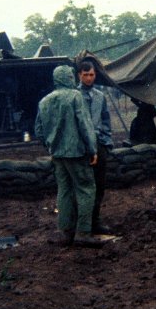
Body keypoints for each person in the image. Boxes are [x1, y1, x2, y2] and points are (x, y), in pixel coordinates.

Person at [34, 65, 102, 248]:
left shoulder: (45, 101)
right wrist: (92, 149)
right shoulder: (75, 96)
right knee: (86, 189)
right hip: (76, 153)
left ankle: (65, 232)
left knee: (64, 191)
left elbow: (38, 130)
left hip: (57, 155)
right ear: (69, 78)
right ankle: (83, 233)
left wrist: (51, 145)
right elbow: (85, 125)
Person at [77, 60, 114, 235]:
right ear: (79, 75)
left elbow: (106, 120)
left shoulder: (100, 96)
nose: (89, 78)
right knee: (84, 186)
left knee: (99, 185)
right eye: (85, 75)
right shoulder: (74, 96)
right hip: (81, 147)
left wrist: (106, 142)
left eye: (91, 75)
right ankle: (81, 224)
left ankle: (95, 221)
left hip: (99, 145)